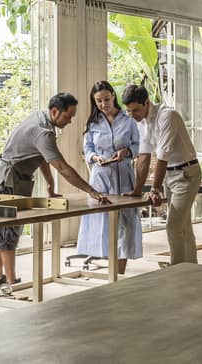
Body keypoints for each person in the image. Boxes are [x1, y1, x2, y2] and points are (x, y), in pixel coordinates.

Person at [0, 92, 110, 294]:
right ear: (55, 111)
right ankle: (11, 283)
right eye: (68, 116)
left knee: (2, 232)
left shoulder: (39, 117)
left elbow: (42, 158)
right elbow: (63, 168)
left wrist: (51, 185)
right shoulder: (44, 132)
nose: (70, 121)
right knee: (7, 232)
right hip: (6, 180)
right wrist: (91, 190)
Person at [121, 84, 202, 266]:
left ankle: (177, 270)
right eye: (128, 111)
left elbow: (162, 157)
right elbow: (144, 156)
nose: (132, 115)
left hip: (186, 174)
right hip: (171, 176)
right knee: (184, 226)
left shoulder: (167, 116)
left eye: (135, 110)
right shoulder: (141, 122)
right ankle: (191, 269)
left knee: (173, 226)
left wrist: (155, 189)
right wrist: (137, 190)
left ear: (147, 102)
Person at [77, 81, 142, 274]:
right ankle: (109, 269)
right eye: (98, 101)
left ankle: (118, 271)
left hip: (123, 175)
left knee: (125, 223)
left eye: (106, 99)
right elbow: (87, 149)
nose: (103, 104)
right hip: (101, 177)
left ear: (113, 95)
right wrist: (94, 157)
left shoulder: (129, 120)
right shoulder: (93, 122)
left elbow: (140, 146)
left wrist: (127, 152)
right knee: (102, 223)